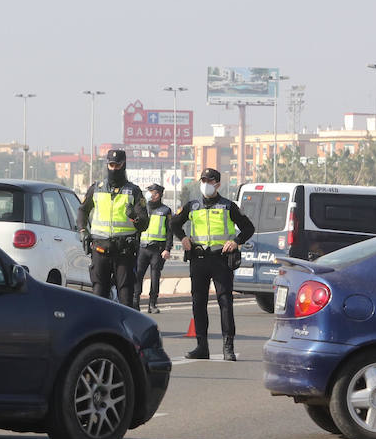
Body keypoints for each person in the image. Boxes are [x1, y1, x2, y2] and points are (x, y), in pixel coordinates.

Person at [172, 168, 254, 361]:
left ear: (217, 184)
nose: (206, 184)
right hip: (199, 259)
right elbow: (174, 223)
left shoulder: (228, 206)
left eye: (209, 181)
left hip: (220, 260)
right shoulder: (192, 206)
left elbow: (248, 227)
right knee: (198, 303)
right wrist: (183, 238)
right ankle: (202, 347)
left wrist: (236, 241)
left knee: (225, 302)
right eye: (203, 180)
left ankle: (228, 347)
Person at [78, 149, 149, 308]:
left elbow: (144, 223)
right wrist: (83, 231)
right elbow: (82, 210)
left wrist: (134, 217)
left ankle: (126, 332)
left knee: (125, 296)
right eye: (111, 164)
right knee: (98, 295)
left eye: (118, 165)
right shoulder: (97, 188)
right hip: (100, 250)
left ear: (124, 165)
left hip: (123, 252)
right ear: (107, 165)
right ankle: (100, 332)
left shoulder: (134, 191)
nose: (114, 168)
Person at [134, 183, 175, 314]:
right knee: (137, 276)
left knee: (155, 277)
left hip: (157, 250)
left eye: (155, 192)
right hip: (142, 248)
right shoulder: (142, 208)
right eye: (150, 192)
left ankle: (152, 304)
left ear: (160, 195)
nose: (152, 195)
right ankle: (135, 303)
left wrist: (167, 248)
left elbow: (170, 231)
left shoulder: (165, 210)